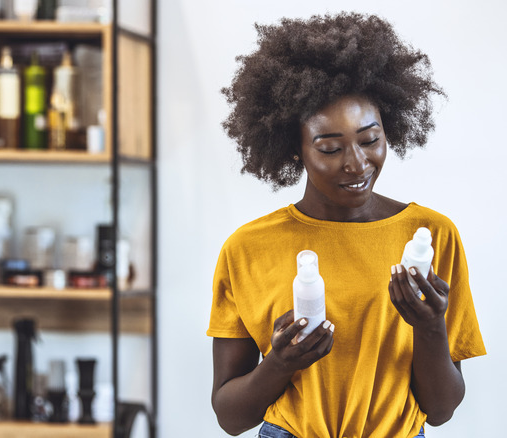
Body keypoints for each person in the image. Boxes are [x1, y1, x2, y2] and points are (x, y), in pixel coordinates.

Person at [208, 12, 486, 438]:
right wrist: (280, 364)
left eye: (370, 140)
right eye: (330, 147)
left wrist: (430, 327)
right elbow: (231, 418)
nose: (357, 163)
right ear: (294, 148)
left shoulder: (431, 235)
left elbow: (442, 409)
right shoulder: (247, 248)